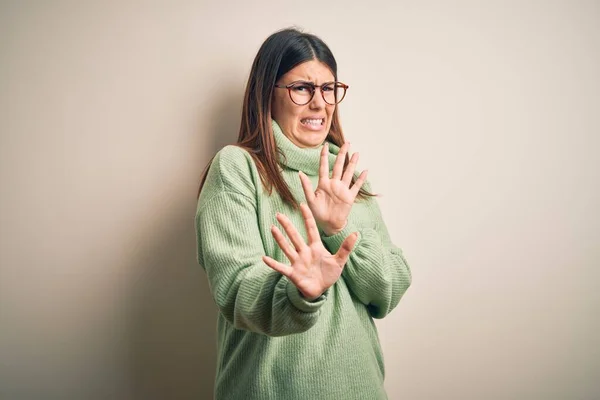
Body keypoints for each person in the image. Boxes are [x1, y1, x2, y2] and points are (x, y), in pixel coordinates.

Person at [195, 27, 412, 400]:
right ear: (267, 94)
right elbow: (235, 290)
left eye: (329, 89)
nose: (320, 103)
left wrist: (338, 229)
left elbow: (389, 289)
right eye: (302, 88)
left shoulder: (348, 175)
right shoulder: (238, 168)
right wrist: (300, 292)